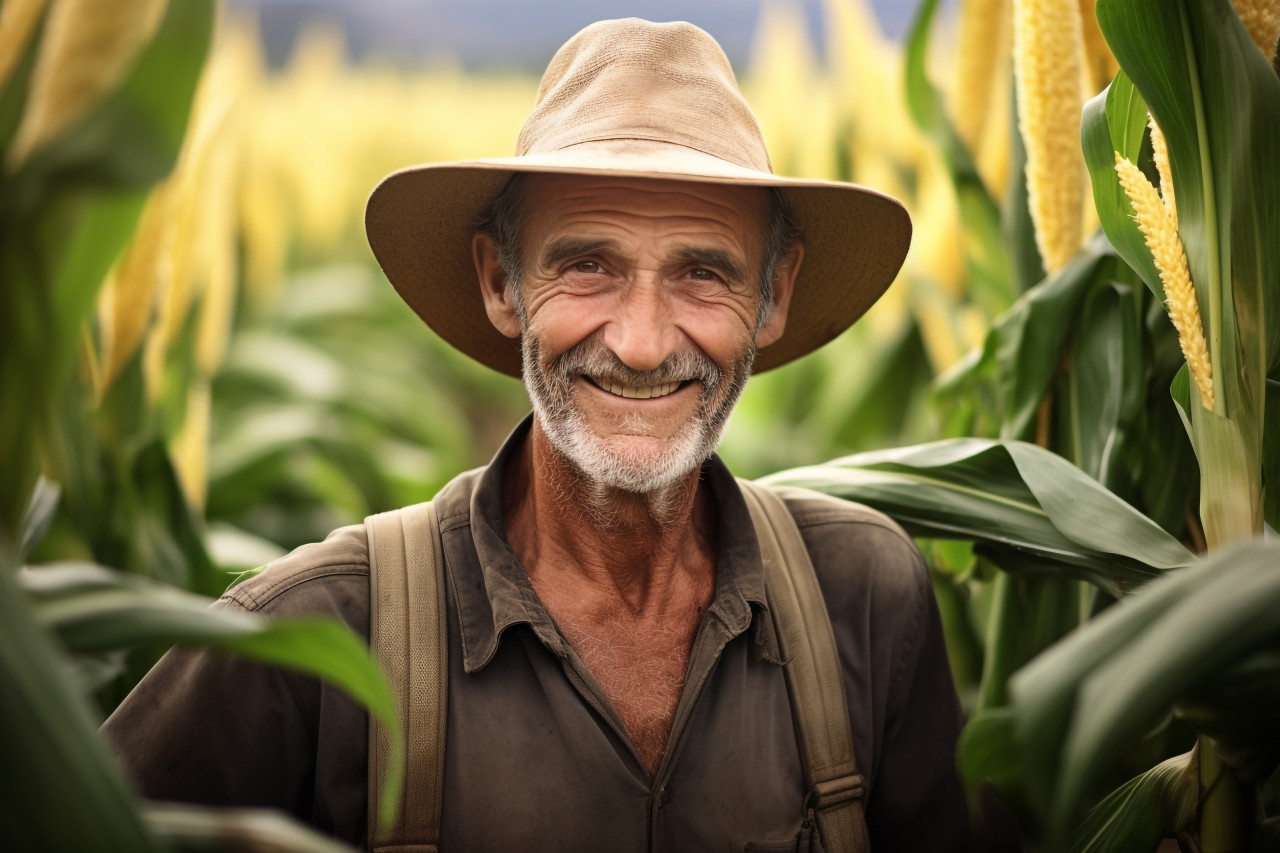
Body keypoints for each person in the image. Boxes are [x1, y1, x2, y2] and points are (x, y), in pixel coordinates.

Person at [105, 18, 1016, 852]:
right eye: (589, 266)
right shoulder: (311, 641)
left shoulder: (867, 597)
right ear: (500, 283)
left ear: (772, 298)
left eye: (703, 273)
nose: (644, 342)